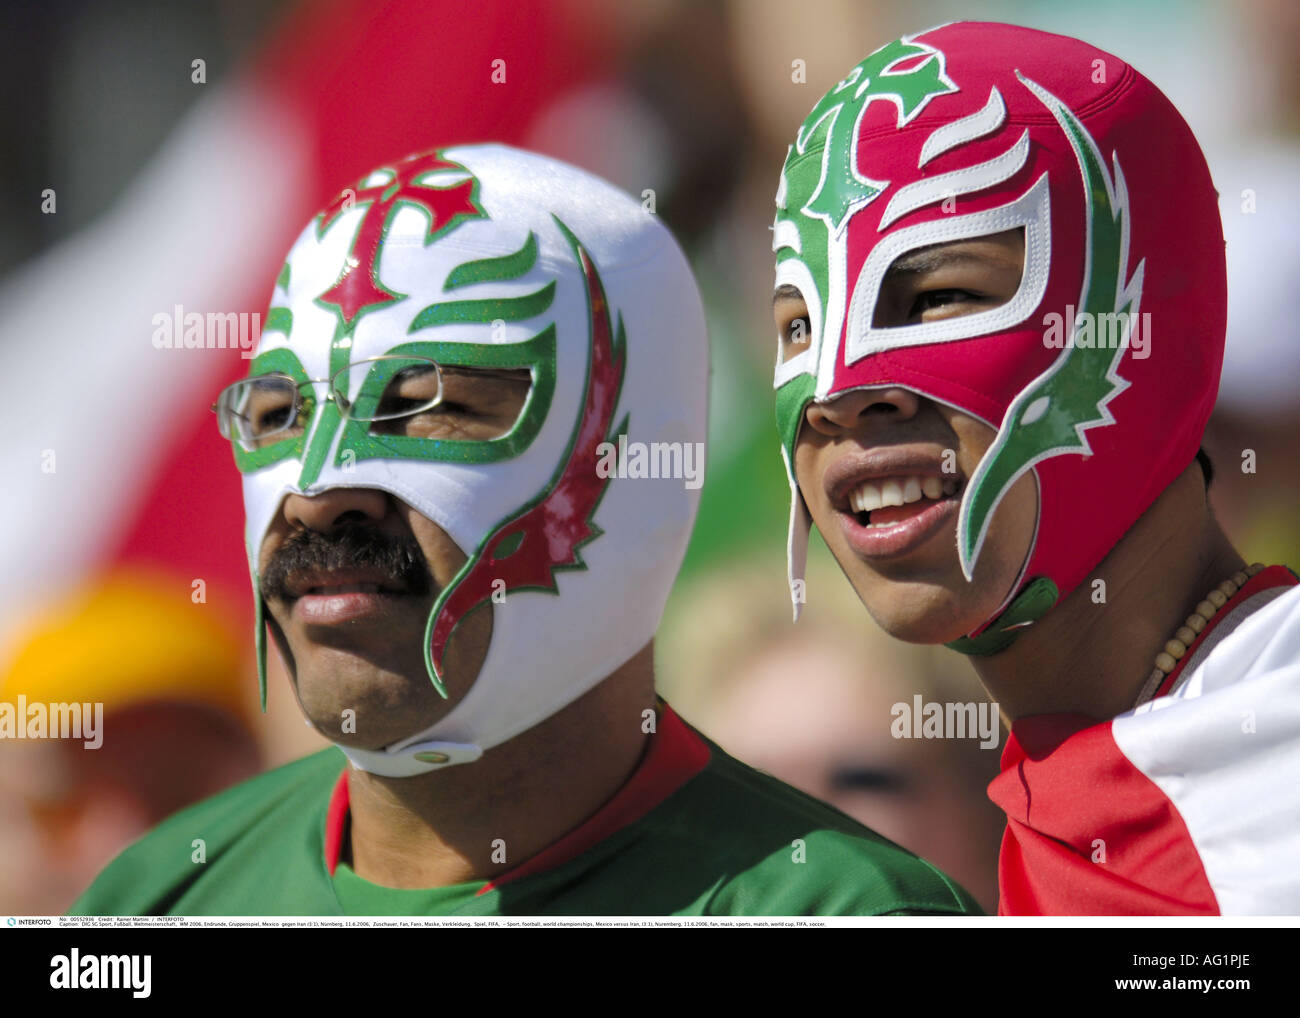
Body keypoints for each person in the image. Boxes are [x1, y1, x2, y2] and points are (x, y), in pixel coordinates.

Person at [72, 144, 980, 917]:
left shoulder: (845, 910)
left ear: (637, 454)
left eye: (432, 401)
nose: (313, 493)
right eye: (278, 413)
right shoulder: (157, 898)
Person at [768, 21, 1299, 915]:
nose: (837, 394)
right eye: (800, 325)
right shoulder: (1048, 786)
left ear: (1139, 324)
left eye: (939, 295)